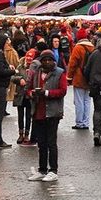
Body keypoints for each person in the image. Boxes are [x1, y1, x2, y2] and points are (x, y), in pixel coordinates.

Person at [26, 50, 67, 182]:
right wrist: (32, 93)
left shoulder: (59, 73)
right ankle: (42, 170)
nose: (47, 62)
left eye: (50, 60)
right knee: (41, 143)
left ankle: (53, 170)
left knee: (51, 142)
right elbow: (28, 87)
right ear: (41, 61)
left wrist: (47, 93)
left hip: (52, 112)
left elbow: (63, 91)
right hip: (38, 111)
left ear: (53, 61)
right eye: (45, 60)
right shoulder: (36, 72)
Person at [67, 29, 94, 130]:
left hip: (79, 77)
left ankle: (79, 122)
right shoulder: (92, 47)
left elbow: (72, 64)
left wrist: (69, 77)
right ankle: (86, 122)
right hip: (89, 78)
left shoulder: (78, 48)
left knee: (79, 101)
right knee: (87, 101)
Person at [11, 49, 36, 145]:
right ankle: (20, 134)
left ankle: (26, 134)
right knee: (20, 115)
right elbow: (13, 77)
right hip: (20, 95)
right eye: (28, 56)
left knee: (29, 115)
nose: (29, 58)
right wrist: (20, 79)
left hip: (29, 96)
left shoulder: (35, 68)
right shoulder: (20, 67)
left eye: (31, 57)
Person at [4, 37, 20, 116]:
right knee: (8, 91)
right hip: (10, 73)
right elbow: (17, 63)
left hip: (2, 74)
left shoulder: (0, 51)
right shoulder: (12, 52)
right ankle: (3, 109)